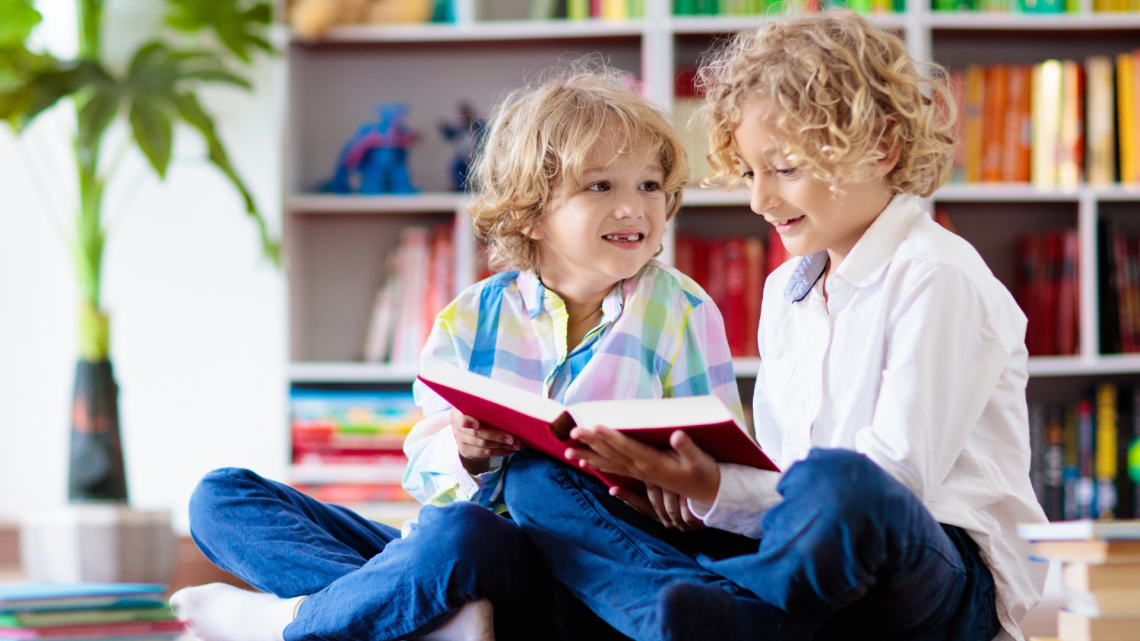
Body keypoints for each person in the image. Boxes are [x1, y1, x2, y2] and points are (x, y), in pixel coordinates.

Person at [503, 10, 1048, 641]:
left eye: (785, 169)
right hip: (798, 554)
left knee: (840, 479)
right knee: (541, 481)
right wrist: (695, 486)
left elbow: (889, 487)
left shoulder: (936, 275)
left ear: (881, 148)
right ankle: (693, 609)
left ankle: (732, 611)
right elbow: (778, 489)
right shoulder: (787, 290)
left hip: (937, 573)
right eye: (749, 173)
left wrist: (726, 490)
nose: (760, 201)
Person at [170, 64, 746, 641]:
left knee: (469, 534)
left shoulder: (683, 310)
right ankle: (435, 618)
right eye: (601, 186)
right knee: (220, 498)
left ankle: (300, 622)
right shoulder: (470, 317)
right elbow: (427, 479)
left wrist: (666, 482)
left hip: (587, 579)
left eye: (649, 185)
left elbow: (719, 472)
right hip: (458, 551)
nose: (633, 208)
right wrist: (464, 452)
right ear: (531, 214)